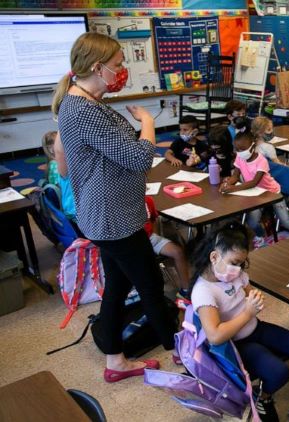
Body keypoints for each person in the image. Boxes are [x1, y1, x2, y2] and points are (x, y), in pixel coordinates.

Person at [52, 32, 175, 381]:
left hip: (108, 214)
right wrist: (148, 123)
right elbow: (138, 158)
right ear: (97, 67)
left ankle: (115, 360)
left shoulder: (84, 103)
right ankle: (183, 352)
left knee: (118, 287)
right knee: (151, 285)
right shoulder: (84, 111)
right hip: (113, 219)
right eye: (119, 65)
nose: (123, 71)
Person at [190, 223, 289, 422]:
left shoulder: (235, 274)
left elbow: (249, 292)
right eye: (234, 262)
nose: (238, 269)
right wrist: (248, 313)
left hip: (255, 329)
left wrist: (254, 298)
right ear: (214, 257)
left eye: (242, 263)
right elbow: (215, 337)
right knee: (279, 373)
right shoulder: (203, 291)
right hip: (237, 345)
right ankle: (263, 398)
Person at [220, 131, 289, 247]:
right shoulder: (240, 158)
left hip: (272, 193)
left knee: (286, 222)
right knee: (252, 222)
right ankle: (262, 237)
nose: (239, 152)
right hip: (255, 193)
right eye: (237, 149)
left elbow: (254, 182)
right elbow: (235, 176)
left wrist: (232, 189)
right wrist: (227, 183)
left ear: (253, 145)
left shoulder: (261, 160)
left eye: (242, 149)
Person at [144, 196, 191, 308]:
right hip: (135, 242)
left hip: (151, 238)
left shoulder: (148, 200)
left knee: (178, 252)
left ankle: (186, 291)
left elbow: (153, 221)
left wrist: (156, 239)